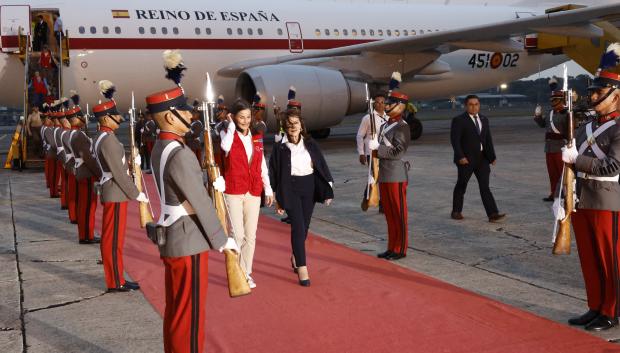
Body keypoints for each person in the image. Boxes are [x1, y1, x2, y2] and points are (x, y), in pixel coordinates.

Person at [147, 50, 237, 353]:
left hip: (174, 236)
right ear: (171, 116)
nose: (192, 115)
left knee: (176, 312)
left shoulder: (160, 148)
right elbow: (198, 200)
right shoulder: (181, 153)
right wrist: (223, 240)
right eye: (185, 111)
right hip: (189, 240)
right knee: (190, 314)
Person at [558, 43, 620, 331]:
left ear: (615, 96)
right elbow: (568, 165)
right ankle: (595, 305)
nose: (593, 96)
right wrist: (562, 197)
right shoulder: (585, 127)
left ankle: (612, 310)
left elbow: (612, 167)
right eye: (593, 91)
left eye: (598, 92)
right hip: (582, 199)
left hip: (608, 201)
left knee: (610, 260)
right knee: (589, 258)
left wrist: (578, 160)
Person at [93, 80, 147, 292]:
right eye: (115, 116)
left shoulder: (105, 137)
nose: (119, 119)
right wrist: (136, 193)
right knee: (113, 240)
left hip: (113, 191)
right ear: (107, 118)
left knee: (114, 239)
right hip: (116, 193)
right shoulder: (108, 140)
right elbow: (117, 172)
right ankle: (115, 281)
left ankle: (118, 277)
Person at [269, 109, 334, 286]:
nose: (292, 127)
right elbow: (273, 172)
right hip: (290, 189)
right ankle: (303, 267)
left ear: (301, 125)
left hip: (309, 188)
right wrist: (276, 196)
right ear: (284, 127)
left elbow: (321, 165)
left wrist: (328, 186)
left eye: (295, 123)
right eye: (288, 124)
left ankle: (296, 256)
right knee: (297, 227)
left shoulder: (310, 143)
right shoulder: (279, 147)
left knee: (304, 227)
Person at [219, 99, 273, 289]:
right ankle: (235, 270)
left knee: (251, 235)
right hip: (233, 190)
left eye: (248, 117)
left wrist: (268, 188)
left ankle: (245, 272)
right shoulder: (226, 133)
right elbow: (225, 148)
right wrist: (232, 126)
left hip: (253, 189)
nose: (245, 120)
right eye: (241, 117)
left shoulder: (257, 137)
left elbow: (262, 163)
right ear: (233, 117)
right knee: (238, 234)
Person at [368, 75, 411, 260]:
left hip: (396, 175)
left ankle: (400, 249)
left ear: (400, 105)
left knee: (399, 214)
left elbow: (398, 152)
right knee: (390, 215)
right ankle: (392, 247)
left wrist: (379, 148)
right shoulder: (387, 124)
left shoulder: (402, 127)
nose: (386, 105)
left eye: (390, 102)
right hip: (385, 174)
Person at [450, 94, 506, 222]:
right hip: (466, 159)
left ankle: (492, 214)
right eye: (471, 104)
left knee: (485, 187)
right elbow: (455, 141)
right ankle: (456, 211)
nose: (474, 107)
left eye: (476, 104)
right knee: (462, 184)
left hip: (482, 159)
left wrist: (492, 156)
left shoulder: (484, 119)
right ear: (466, 106)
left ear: (479, 105)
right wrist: (460, 156)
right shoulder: (459, 120)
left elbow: (488, 139)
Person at [68, 104, 101, 244]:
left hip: (82, 172)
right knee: (88, 206)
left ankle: (85, 233)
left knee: (84, 205)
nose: (83, 119)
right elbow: (88, 158)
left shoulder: (75, 133)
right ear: (75, 119)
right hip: (87, 174)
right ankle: (87, 235)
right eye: (81, 117)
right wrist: (100, 173)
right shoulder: (79, 136)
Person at [534, 78, 570, 202]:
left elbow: (570, 132)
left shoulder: (566, 114)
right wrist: (537, 117)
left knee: (562, 173)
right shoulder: (550, 113)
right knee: (552, 173)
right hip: (549, 148)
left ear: (561, 101)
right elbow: (544, 125)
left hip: (560, 147)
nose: (552, 102)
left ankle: (565, 194)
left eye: (554, 100)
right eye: (551, 100)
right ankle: (553, 193)